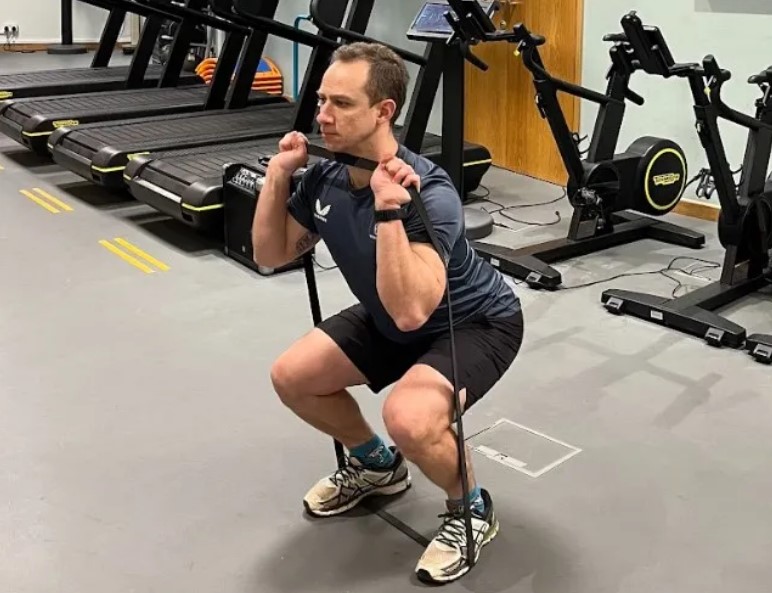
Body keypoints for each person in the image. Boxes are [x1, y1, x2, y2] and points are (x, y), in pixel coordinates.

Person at [252, 41, 525, 585]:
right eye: (322, 100)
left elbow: (411, 313)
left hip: (471, 323)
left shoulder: (429, 192)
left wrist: (387, 209)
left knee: (410, 418)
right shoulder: (325, 179)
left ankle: (471, 506)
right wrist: (280, 176)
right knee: (293, 376)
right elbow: (271, 254)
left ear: (384, 111)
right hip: (389, 315)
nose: (323, 116)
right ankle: (377, 467)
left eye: (343, 104)